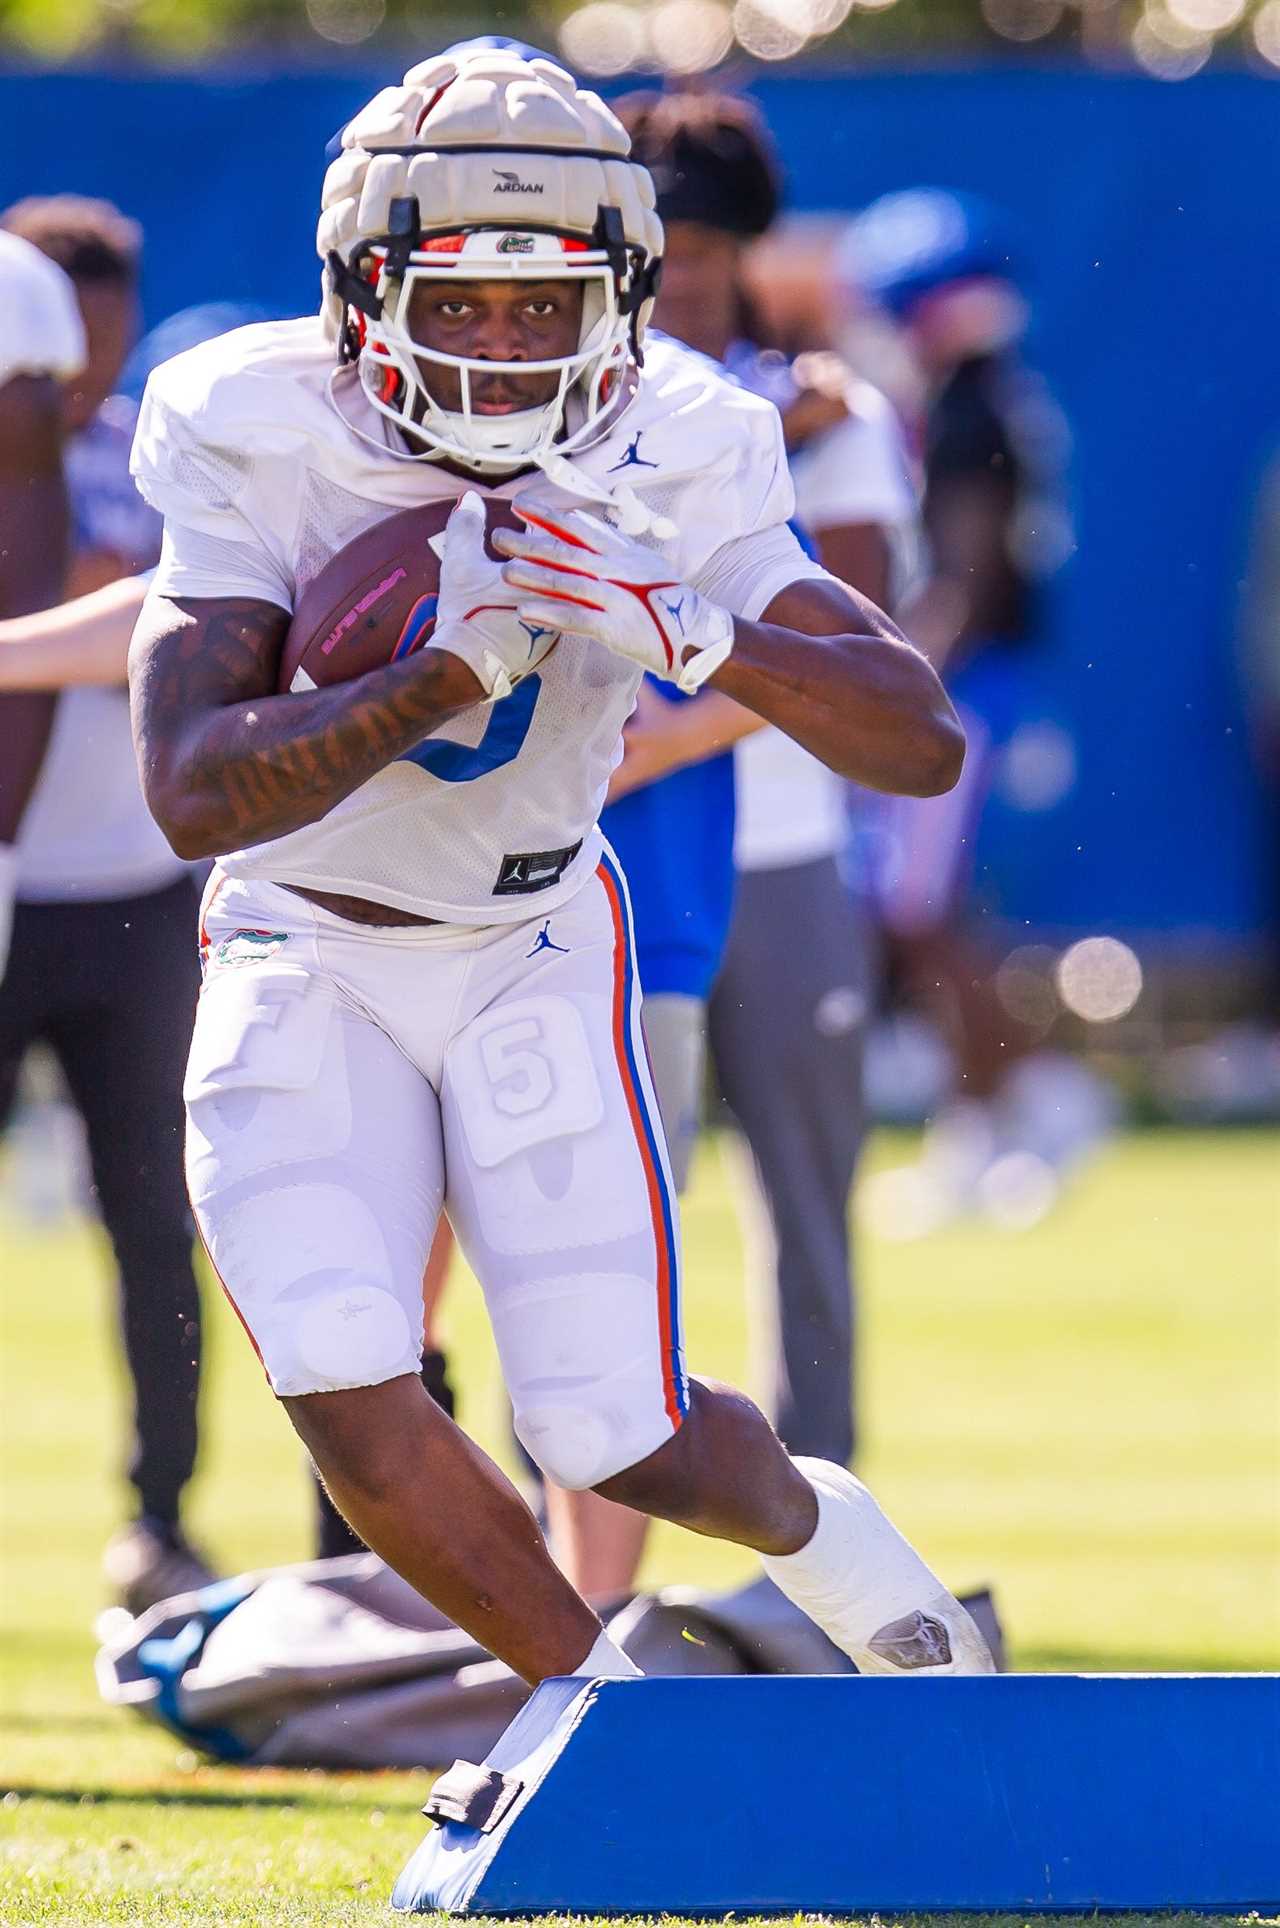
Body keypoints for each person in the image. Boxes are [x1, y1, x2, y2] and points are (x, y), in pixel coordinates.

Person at [126, 44, 988, 1693]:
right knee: (339, 1367)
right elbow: (186, 784)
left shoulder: (691, 429)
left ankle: (884, 1599)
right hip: (304, 934)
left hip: (531, 936)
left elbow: (918, 735)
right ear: (363, 288)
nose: (506, 348)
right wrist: (430, 678)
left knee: (617, 1425)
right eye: (459, 302)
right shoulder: (254, 418)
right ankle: (596, 1717)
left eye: (549, 304)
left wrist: (696, 624)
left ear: (633, 290)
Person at [618, 90, 919, 1471]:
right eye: (656, 242)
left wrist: (671, 736)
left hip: (781, 848)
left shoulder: (826, 415)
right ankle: (591, 1559)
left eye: (701, 245)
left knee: (805, 1203)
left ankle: (820, 1540)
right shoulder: (575, 409)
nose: (677, 272)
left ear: (743, 250)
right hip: (606, 848)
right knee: (601, 1216)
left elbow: (856, 637)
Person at [0, 199, 214, 1612]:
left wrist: (109, 600)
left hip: (137, 894)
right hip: (14, 880)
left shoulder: (162, 451)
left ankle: (161, 1514)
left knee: (155, 1217)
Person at [837, 189, 1111, 1233]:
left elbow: (965, 570)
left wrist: (899, 686)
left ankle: (1035, 1094)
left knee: (915, 911)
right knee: (923, 912)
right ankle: (982, 1113)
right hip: (993, 683)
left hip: (968, 689)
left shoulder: (966, 408)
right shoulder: (997, 397)